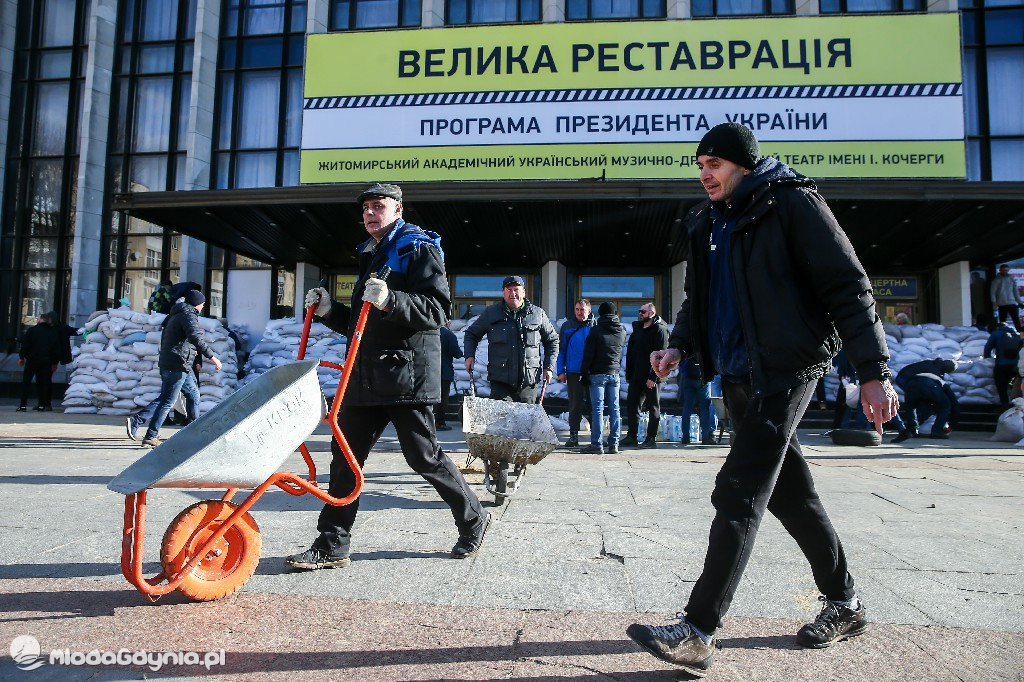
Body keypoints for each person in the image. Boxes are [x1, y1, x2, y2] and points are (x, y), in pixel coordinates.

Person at [628, 122, 899, 676]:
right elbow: (697, 298)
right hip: (736, 373)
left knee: (740, 489)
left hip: (787, 369)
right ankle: (845, 604)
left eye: (715, 163)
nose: (704, 172)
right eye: (700, 163)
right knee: (790, 493)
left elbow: (849, 286)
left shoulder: (794, 205)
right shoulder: (707, 222)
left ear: (743, 166)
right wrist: (677, 346)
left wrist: (873, 371)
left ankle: (698, 629)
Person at [286, 183, 488, 570]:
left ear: (398, 210)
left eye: (378, 206)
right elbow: (363, 323)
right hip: (365, 373)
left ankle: (474, 519)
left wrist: (391, 300)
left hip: (405, 376)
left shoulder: (417, 247)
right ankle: (332, 544)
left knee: (422, 456)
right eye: (365, 208)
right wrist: (330, 310)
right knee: (344, 458)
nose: (369, 214)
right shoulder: (373, 254)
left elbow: (435, 310)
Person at [140, 290, 221, 448]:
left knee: (193, 395)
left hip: (177, 363)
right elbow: (195, 337)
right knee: (167, 401)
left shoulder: (176, 314)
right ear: (197, 304)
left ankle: (194, 432)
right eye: (203, 304)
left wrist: (192, 352)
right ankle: (151, 435)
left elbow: (180, 340)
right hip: (177, 364)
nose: (203, 307)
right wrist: (213, 357)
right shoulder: (188, 315)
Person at [462, 276, 558, 404]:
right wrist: (469, 356)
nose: (513, 293)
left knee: (526, 423)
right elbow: (471, 334)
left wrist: (549, 367)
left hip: (528, 383)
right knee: (501, 422)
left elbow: (552, 340)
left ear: (523, 292)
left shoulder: (538, 314)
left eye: (516, 289)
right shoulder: (491, 313)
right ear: (503, 292)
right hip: (501, 383)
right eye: (509, 289)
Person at [580, 302, 627, 454]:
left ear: (601, 314)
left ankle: (597, 444)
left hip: (597, 374)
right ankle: (614, 444)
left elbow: (588, 354)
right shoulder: (622, 330)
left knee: (598, 410)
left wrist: (584, 373)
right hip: (614, 373)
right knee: (615, 409)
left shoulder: (596, 330)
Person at [622, 302, 670, 449]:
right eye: (640, 311)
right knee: (632, 406)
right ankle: (632, 436)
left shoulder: (660, 330)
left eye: (643, 311)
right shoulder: (637, 330)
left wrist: (653, 377)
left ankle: (651, 438)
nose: (640, 314)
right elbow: (630, 354)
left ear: (652, 313)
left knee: (653, 407)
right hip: (636, 376)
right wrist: (629, 375)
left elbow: (662, 355)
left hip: (651, 377)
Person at [556, 299, 595, 447]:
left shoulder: (595, 326)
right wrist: (561, 371)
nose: (579, 312)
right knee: (574, 405)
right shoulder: (567, 326)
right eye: (577, 309)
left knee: (594, 405)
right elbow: (562, 351)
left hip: (592, 372)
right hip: (573, 372)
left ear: (589, 311)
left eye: (582, 310)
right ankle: (573, 436)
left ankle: (595, 437)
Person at [895, 358, 959, 439]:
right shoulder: (940, 379)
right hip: (913, 382)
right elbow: (953, 402)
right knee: (945, 406)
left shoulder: (929, 363)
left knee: (911, 406)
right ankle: (937, 431)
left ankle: (913, 430)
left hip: (911, 383)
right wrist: (952, 425)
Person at [17, 312, 60, 412]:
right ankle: (42, 405)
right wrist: (54, 363)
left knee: (26, 382)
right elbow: (56, 349)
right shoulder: (53, 332)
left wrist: (21, 357)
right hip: (46, 361)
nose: (36, 320)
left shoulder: (32, 330)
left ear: (41, 320)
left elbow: (26, 345)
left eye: (37, 318)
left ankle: (23, 405)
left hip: (32, 360)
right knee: (43, 383)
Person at [677, 357, 717, 445]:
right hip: (703, 379)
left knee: (687, 408)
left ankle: (685, 437)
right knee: (704, 408)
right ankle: (705, 437)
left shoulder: (688, 348)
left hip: (689, 378)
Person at [984, 321, 1023, 405]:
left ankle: (1004, 403)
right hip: (1015, 365)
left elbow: (988, 347)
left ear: (998, 327)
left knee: (1001, 384)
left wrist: (986, 358)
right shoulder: (1016, 334)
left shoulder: (996, 334)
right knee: (1015, 385)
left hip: (1002, 364)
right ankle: (1017, 403)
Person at [435, 321, 463, 431]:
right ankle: (439, 423)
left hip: (427, 372)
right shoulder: (448, 335)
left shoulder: (427, 333)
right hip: (444, 372)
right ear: (448, 323)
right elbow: (456, 352)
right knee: (442, 398)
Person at [991, 264, 1022, 332]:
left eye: (1006, 270)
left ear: (1008, 270)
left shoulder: (1011, 279)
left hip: (1011, 302)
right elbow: (993, 292)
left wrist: (1020, 302)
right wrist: (994, 302)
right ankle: (1003, 334)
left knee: (1016, 320)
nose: (1005, 272)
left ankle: (1020, 335)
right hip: (1002, 304)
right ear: (1000, 270)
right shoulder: (996, 280)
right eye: (1003, 270)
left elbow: (1015, 292)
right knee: (1003, 322)